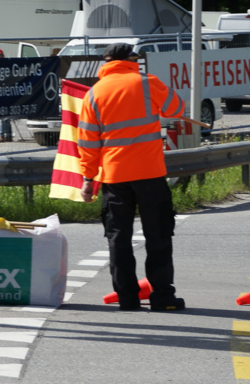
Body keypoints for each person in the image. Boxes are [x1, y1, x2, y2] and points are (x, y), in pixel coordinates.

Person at [78, 43, 187, 311]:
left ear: (106, 63)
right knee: (158, 235)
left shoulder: (93, 94)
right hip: (150, 174)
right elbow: (176, 108)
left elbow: (87, 143)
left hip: (115, 177)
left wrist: (88, 179)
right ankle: (162, 297)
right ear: (132, 61)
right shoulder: (148, 83)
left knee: (118, 239)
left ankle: (127, 298)